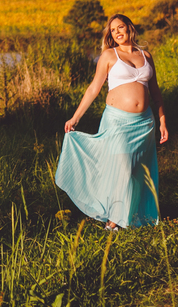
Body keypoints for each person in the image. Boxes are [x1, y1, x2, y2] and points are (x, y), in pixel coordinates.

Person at [54, 13, 168, 229]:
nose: (117, 32)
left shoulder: (146, 56)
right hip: (118, 122)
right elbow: (93, 89)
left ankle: (132, 217)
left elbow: (156, 93)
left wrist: (162, 121)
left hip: (144, 123)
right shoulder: (109, 55)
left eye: (120, 27)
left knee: (137, 171)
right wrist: (75, 117)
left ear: (130, 28)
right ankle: (112, 222)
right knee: (122, 168)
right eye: (113, 30)